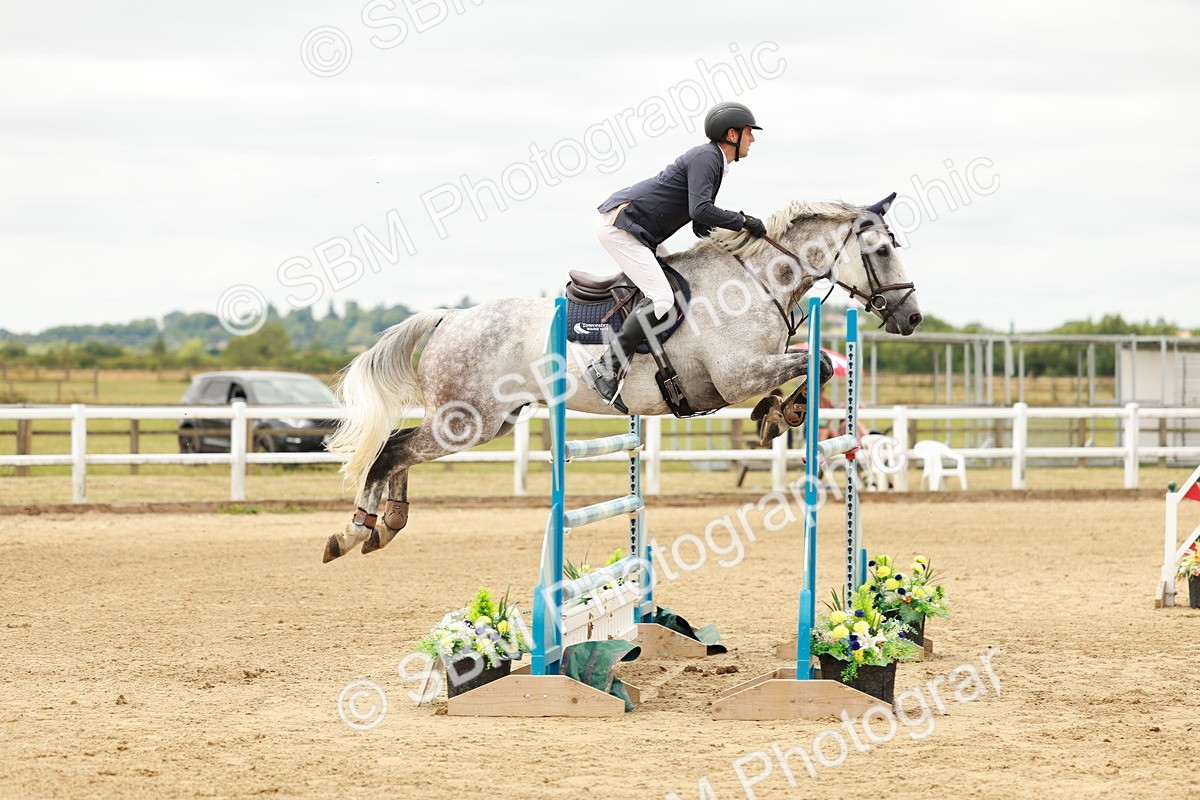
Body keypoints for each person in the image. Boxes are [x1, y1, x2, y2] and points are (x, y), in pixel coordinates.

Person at [583, 101, 769, 412]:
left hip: (639, 230)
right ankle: (605, 366)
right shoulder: (708, 157)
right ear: (732, 134)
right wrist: (743, 221)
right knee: (661, 299)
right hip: (623, 227)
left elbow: (699, 220)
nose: (753, 139)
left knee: (677, 282)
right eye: (750, 132)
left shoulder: (714, 161)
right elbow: (701, 210)